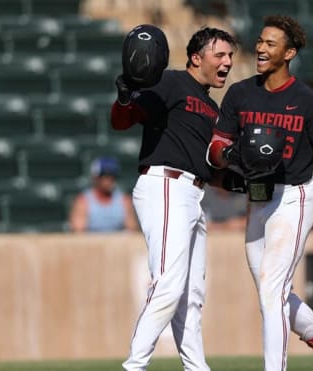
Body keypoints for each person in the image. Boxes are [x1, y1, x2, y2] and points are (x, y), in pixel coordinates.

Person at [207, 15, 313, 371]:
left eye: (270, 43)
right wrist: (228, 155)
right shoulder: (240, 93)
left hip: (295, 197)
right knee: (270, 293)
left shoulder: (309, 101)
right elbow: (216, 146)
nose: (260, 47)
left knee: (271, 290)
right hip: (258, 198)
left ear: (289, 52)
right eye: (260, 41)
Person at [111, 26, 237, 371]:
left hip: (194, 193)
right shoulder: (170, 81)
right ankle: (134, 366)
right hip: (165, 185)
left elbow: (213, 168)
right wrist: (124, 99)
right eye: (220, 54)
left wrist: (237, 174)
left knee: (192, 295)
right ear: (197, 57)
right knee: (168, 283)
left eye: (230, 56)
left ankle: (197, 368)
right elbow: (124, 120)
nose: (227, 62)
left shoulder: (212, 107)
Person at [69, 156, 137, 232]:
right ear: (96, 178)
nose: (110, 181)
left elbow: (132, 231)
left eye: (113, 176)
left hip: (118, 243)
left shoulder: (124, 201)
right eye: (106, 176)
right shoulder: (84, 201)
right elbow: (78, 232)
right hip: (91, 243)